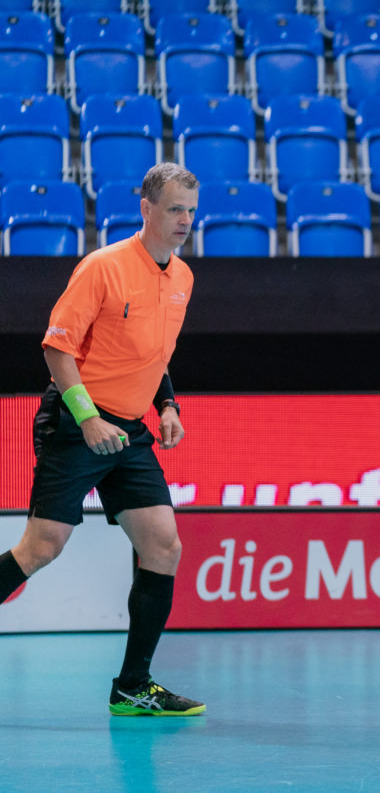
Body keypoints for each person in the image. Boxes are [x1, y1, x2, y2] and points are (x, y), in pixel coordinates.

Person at [0, 163, 204, 716]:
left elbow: (155, 357)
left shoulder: (182, 278)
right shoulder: (104, 268)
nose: (184, 221)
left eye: (190, 209)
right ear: (146, 209)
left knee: (163, 545)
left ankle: (133, 685)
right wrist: (88, 418)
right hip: (76, 424)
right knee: (42, 547)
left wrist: (167, 405)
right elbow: (56, 349)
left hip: (131, 434)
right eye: (174, 210)